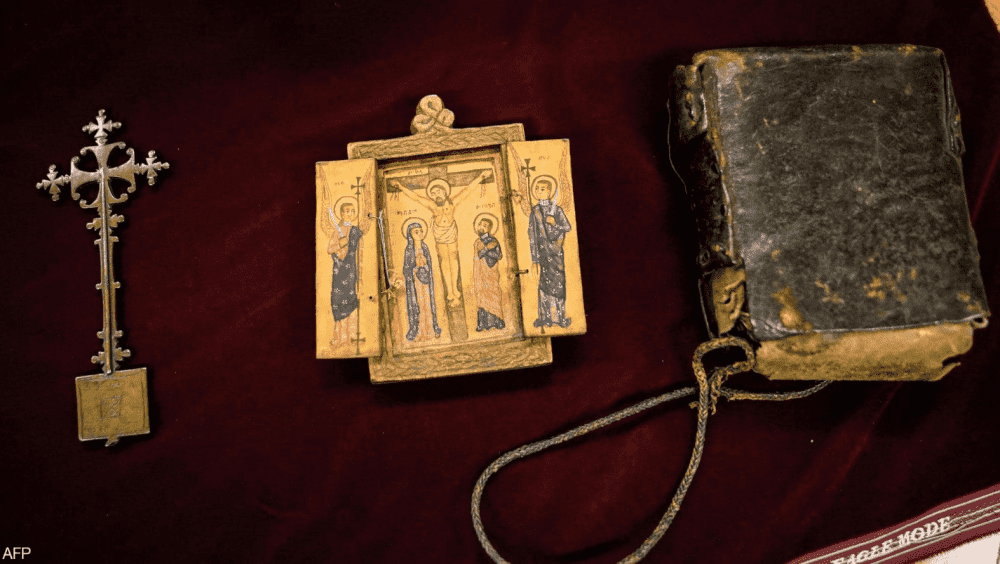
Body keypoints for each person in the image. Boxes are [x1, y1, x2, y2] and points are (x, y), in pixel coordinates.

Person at [391, 173, 490, 308]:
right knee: (445, 261)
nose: (435, 195)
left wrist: (481, 177)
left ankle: (455, 290)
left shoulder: (452, 202)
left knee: (453, 258)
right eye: (432, 193)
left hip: (451, 232)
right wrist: (400, 186)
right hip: (440, 234)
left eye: (437, 192)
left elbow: (467, 190)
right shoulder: (432, 205)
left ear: (444, 192)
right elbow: (416, 197)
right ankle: (450, 291)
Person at [528, 175, 572, 328]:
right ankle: (545, 318)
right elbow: (532, 235)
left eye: (542, 189)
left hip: (556, 253)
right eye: (537, 189)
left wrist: (555, 224)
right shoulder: (535, 211)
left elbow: (567, 227)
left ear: (549, 191)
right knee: (543, 285)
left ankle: (559, 318)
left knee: (558, 284)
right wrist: (534, 259)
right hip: (542, 254)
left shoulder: (557, 210)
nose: (539, 192)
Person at [329, 201, 362, 347]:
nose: (350, 214)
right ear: (342, 214)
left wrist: (361, 274)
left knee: (351, 302)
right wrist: (339, 244)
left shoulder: (356, 231)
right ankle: (338, 337)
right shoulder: (337, 231)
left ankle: (349, 337)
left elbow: (360, 252)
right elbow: (329, 249)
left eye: (353, 211)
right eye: (347, 211)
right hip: (339, 271)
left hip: (351, 271)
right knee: (338, 302)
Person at [402, 221, 442, 342]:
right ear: (410, 235)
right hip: (415, 284)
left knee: (428, 304)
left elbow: (429, 264)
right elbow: (406, 269)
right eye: (416, 232)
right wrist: (415, 268)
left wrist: (425, 267)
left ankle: (431, 329)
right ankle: (419, 331)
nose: (420, 234)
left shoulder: (425, 247)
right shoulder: (409, 250)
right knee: (418, 305)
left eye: (421, 231)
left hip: (426, 282)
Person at [472, 216, 505, 331]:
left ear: (490, 228)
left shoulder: (493, 240)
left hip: (491, 271)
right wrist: (486, 249)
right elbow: (478, 255)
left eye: (484, 226)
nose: (481, 227)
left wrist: (486, 250)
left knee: (493, 295)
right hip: (480, 274)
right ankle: (483, 324)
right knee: (482, 296)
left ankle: (497, 322)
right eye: (480, 224)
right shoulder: (477, 242)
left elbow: (499, 256)